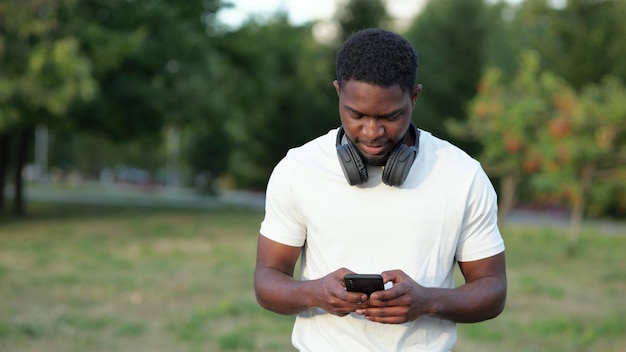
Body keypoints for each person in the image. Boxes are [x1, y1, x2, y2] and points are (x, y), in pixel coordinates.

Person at [254, 28, 506, 351]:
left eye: (390, 116)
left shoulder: (463, 175)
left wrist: (427, 301)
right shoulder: (297, 170)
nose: (372, 132)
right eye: (356, 115)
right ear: (338, 92)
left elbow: (493, 289)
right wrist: (315, 292)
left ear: (414, 97)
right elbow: (266, 280)